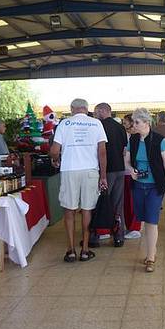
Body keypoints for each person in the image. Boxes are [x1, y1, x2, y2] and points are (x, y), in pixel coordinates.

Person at [50, 98, 108, 263]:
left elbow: (55, 150)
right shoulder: (96, 123)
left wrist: (55, 159)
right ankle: (85, 250)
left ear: (72, 109)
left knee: (69, 210)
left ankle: (70, 250)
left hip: (69, 170)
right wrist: (103, 176)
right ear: (86, 109)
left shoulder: (65, 124)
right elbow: (102, 152)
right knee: (87, 209)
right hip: (90, 170)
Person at [125, 108, 165, 272]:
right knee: (144, 220)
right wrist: (131, 169)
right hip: (138, 185)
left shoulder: (159, 140)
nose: (134, 125)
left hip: (155, 186)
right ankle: (152, 251)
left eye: (137, 122)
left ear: (146, 123)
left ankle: (151, 256)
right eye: (134, 122)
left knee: (152, 221)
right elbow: (126, 160)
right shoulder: (132, 140)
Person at [94, 102, 128, 247]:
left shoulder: (98, 126)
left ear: (103, 111)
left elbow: (99, 150)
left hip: (105, 170)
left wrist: (101, 173)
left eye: (96, 112)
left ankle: (96, 235)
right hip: (120, 169)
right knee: (117, 204)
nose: (95, 115)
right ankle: (119, 235)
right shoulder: (120, 127)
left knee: (100, 202)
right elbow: (124, 149)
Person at [122, 114, 142, 239]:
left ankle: (135, 227)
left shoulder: (137, 137)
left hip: (133, 172)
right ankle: (130, 226)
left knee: (133, 201)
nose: (123, 125)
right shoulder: (127, 135)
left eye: (125, 122)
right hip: (125, 172)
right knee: (127, 201)